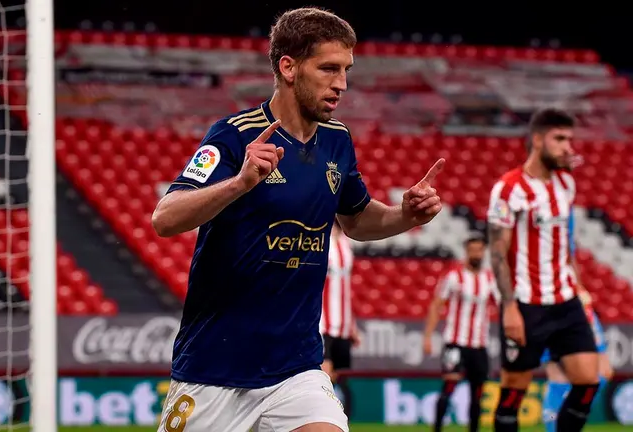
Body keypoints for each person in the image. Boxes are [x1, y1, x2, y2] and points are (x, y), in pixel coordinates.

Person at [151, 7, 445, 432]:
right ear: (288, 67)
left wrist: (405, 215)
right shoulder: (234, 135)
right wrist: (240, 182)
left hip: (296, 369)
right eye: (328, 68)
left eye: (345, 70)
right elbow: (165, 218)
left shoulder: (337, 140)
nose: (341, 84)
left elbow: (359, 220)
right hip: (216, 369)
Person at [486, 108, 599, 432]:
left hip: (565, 301)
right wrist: (509, 308)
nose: (568, 147)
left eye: (570, 140)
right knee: (513, 393)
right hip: (526, 305)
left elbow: (564, 245)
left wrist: (578, 288)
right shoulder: (509, 189)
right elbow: (497, 252)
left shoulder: (565, 183)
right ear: (537, 140)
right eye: (560, 139)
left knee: (588, 381)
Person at [541, 205, 614, 432]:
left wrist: (579, 287)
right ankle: (555, 426)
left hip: (574, 297)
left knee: (602, 373)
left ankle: (563, 419)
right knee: (557, 371)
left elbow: (568, 256)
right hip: (545, 299)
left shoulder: (565, 211)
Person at [423, 233, 499, 432]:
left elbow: (501, 305)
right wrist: (428, 336)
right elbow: (437, 305)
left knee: (478, 394)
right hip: (455, 342)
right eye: (472, 250)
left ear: (484, 252)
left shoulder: (490, 279)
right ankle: (437, 428)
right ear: (466, 252)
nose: (476, 254)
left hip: (479, 345)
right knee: (449, 386)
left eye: (479, 250)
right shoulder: (453, 276)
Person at [320, 219, 359, 402]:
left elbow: (347, 289)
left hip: (343, 325)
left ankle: (341, 423)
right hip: (322, 324)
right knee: (324, 375)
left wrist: (352, 325)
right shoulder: (318, 241)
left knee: (339, 378)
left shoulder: (346, 244)